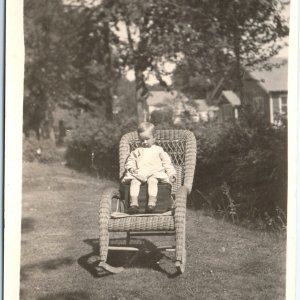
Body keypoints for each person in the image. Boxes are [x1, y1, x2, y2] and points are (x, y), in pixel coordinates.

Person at [122, 122, 177, 214]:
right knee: (134, 182)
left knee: (152, 181)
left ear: (154, 138)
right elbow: (130, 161)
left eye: (147, 139)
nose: (144, 142)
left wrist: (171, 174)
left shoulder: (158, 150)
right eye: (141, 140)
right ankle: (134, 204)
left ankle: (152, 203)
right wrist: (131, 168)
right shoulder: (137, 151)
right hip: (140, 174)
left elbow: (167, 163)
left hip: (154, 173)